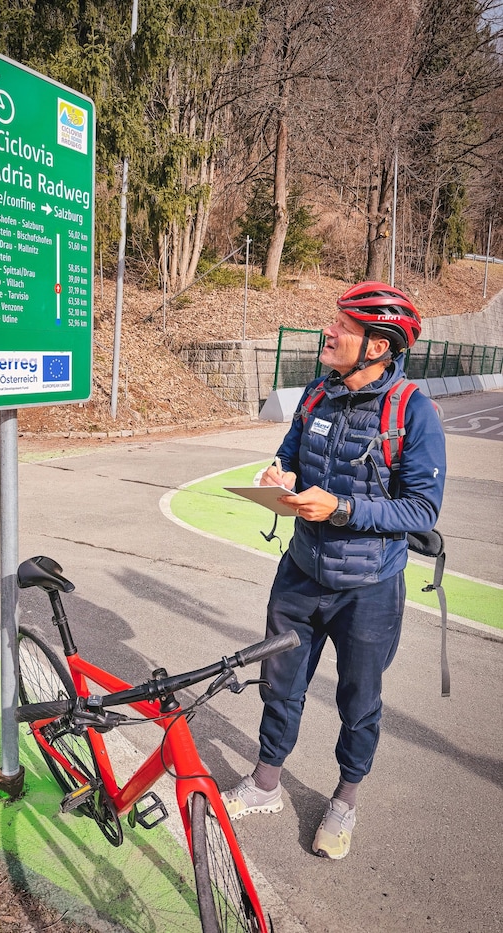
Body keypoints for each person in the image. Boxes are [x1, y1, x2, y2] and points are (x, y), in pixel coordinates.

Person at [222, 281, 446, 860]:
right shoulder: (317, 394)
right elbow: (289, 457)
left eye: (344, 326)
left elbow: (421, 510)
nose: (330, 331)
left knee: (359, 700)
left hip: (369, 589)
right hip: (300, 573)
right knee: (280, 683)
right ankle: (266, 783)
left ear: (378, 345)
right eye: (335, 322)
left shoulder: (412, 411)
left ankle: (345, 799)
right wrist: (279, 477)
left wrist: (341, 508)